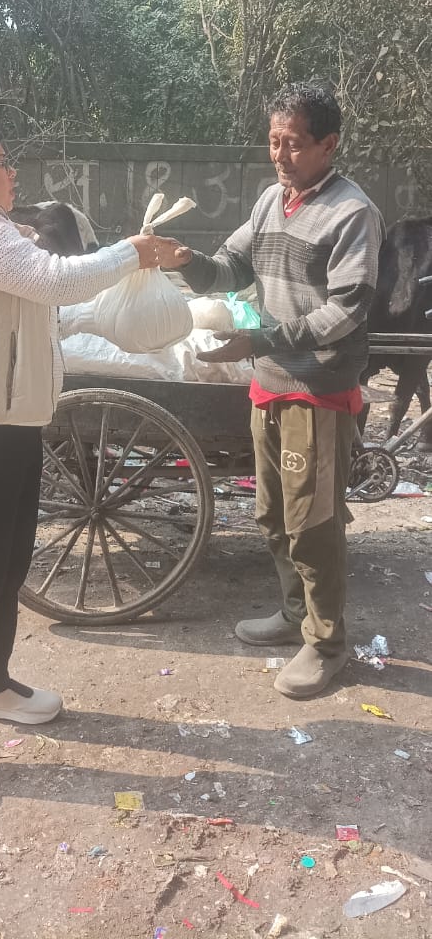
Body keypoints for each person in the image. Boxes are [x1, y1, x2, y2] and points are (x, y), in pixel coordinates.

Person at [0, 113, 181, 803]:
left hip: (6, 420)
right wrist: (132, 253)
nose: (12, 169)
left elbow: (37, 304)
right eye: (0, 159)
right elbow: (56, 280)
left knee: (9, 560)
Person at [169, 86, 385, 699]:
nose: (280, 155)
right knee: (272, 514)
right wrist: (185, 261)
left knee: (312, 521)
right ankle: (295, 617)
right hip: (270, 384)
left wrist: (264, 339)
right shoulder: (272, 201)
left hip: (318, 387)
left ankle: (327, 645)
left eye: (293, 143)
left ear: (328, 144)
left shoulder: (352, 213)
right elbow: (232, 269)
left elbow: (345, 309)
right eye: (274, 141)